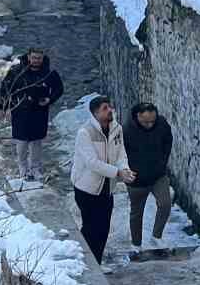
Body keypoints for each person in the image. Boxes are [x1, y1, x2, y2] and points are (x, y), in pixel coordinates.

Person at [70, 95, 133, 263]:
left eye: (110, 107)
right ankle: (85, 262)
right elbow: (92, 163)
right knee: (91, 228)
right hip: (87, 188)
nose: (110, 110)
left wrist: (124, 169)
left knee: (104, 228)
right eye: (105, 108)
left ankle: (96, 262)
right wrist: (117, 173)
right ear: (95, 113)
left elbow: (121, 153)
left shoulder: (116, 128)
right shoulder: (85, 133)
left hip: (107, 187)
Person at [0, 49, 63, 180]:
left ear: (42, 58)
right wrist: (3, 107)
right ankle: (23, 167)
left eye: (39, 58)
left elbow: (59, 88)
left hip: (39, 111)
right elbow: (5, 88)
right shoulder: (17, 71)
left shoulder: (48, 73)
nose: (36, 61)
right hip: (20, 110)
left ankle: (35, 168)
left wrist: (50, 99)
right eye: (34, 58)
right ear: (29, 57)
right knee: (21, 142)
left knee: (36, 142)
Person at [125, 102, 173, 251]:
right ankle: (136, 244)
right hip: (137, 179)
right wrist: (126, 171)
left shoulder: (162, 123)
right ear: (138, 116)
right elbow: (120, 152)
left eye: (153, 121)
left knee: (165, 204)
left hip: (158, 175)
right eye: (146, 122)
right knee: (137, 212)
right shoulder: (126, 129)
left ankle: (156, 236)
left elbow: (168, 141)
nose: (150, 124)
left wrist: (162, 162)